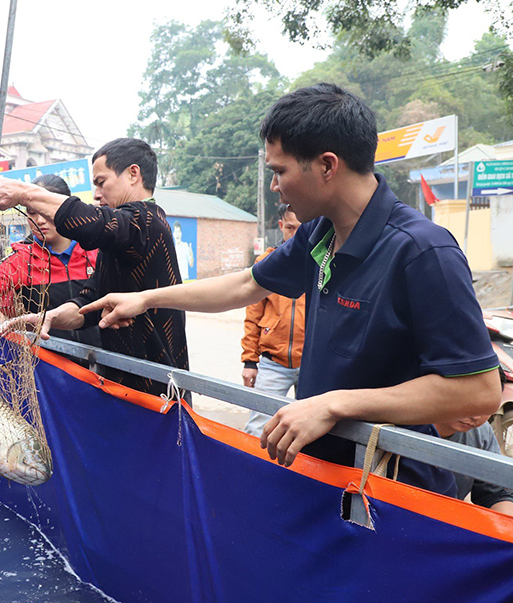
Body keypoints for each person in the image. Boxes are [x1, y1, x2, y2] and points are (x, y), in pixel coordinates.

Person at [77, 84, 501, 495]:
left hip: (390, 489)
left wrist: (335, 404)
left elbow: (477, 389)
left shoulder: (422, 251)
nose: (275, 187)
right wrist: (148, 298)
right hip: (321, 469)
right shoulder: (319, 233)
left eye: (279, 171)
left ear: (327, 166)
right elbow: (247, 284)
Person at [0, 137, 189, 396]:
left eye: (101, 182)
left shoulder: (147, 221)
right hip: (120, 385)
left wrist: (25, 193)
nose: (96, 194)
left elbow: (97, 223)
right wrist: (51, 317)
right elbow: (90, 302)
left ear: (133, 174)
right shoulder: (116, 242)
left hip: (158, 392)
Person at [0, 175, 101, 348]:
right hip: (50, 367)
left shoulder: (96, 250)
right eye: (32, 212)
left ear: (67, 206)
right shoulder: (21, 259)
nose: (40, 220)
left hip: (107, 364)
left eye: (46, 211)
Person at [241, 204, 306, 436]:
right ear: (281, 226)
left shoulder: (322, 263)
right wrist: (250, 362)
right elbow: (252, 315)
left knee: (313, 435)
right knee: (258, 427)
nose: (296, 234)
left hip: (311, 365)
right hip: (272, 364)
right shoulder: (268, 262)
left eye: (302, 228)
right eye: (290, 227)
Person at [433, 415, 513, 515]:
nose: (476, 417)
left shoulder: (481, 433)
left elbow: (495, 495)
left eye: (486, 408)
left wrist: (505, 526)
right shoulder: (410, 424)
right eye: (466, 400)